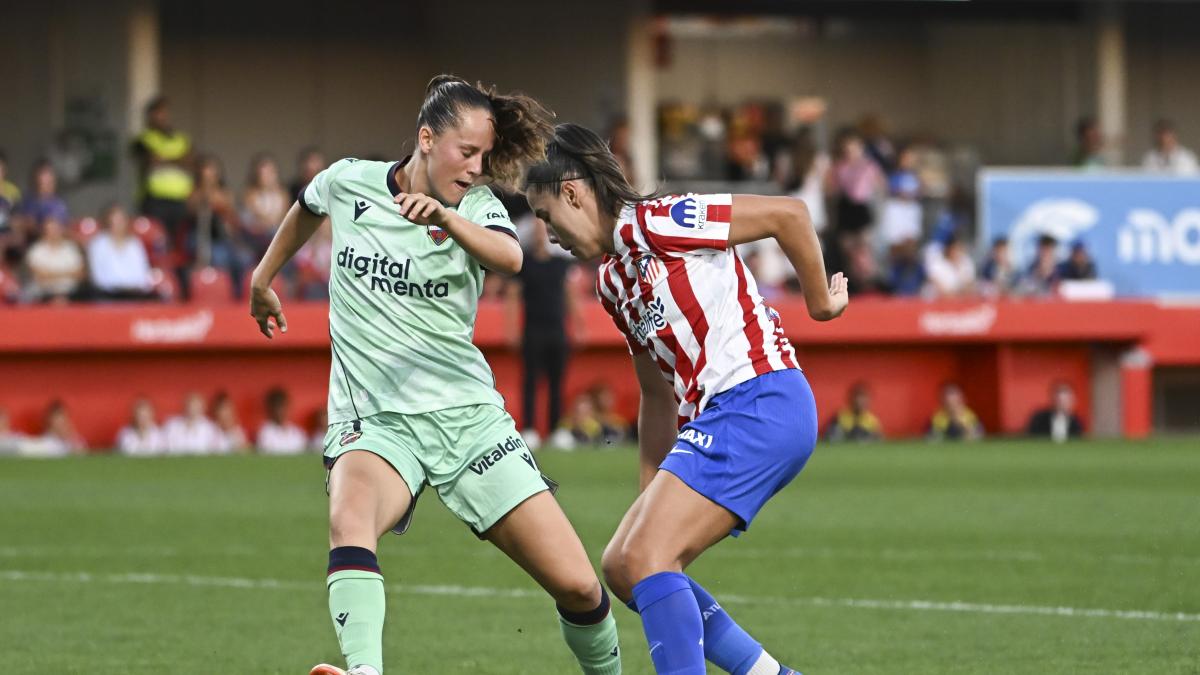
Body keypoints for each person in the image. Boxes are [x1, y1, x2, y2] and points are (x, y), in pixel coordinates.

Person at [248, 76, 622, 675]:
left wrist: (447, 219)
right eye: (466, 152)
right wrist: (263, 279)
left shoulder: (476, 208)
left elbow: (511, 257)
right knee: (350, 517)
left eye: (483, 155)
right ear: (426, 138)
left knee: (579, 587)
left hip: (468, 422)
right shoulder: (352, 181)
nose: (477, 167)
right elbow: (309, 204)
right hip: (376, 422)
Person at [525, 122, 849, 675]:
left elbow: (787, 215)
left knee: (649, 558)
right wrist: (652, 487)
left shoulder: (657, 220)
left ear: (573, 193)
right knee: (623, 566)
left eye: (546, 215)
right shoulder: (610, 280)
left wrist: (820, 304)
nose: (548, 233)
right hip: (725, 415)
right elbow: (655, 392)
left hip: (760, 398)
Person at [506, 214, 579, 450]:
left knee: (558, 381)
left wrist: (578, 325)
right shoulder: (524, 264)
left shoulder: (560, 263)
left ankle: (557, 429)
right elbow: (513, 296)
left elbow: (570, 295)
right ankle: (529, 429)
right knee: (530, 380)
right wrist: (512, 329)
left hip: (557, 328)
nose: (540, 235)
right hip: (533, 329)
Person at [132, 96, 193, 245]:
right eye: (158, 113)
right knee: (157, 239)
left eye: (164, 112)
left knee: (179, 240)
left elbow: (189, 161)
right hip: (155, 199)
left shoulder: (180, 138)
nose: (162, 116)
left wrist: (164, 158)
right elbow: (150, 160)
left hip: (180, 197)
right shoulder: (144, 138)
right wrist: (176, 159)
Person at [87, 203, 156, 300]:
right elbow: (98, 277)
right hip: (108, 295)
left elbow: (143, 272)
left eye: (120, 220)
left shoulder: (134, 243)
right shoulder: (98, 244)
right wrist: (119, 288)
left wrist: (135, 288)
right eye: (113, 221)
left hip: (135, 294)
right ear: (107, 222)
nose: (117, 225)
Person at [25, 215, 86, 303]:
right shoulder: (36, 250)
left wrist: (51, 274)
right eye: (50, 230)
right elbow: (39, 276)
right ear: (44, 231)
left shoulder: (71, 248)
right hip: (44, 293)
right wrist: (69, 273)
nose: (53, 233)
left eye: (56, 229)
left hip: (71, 292)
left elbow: (80, 274)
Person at [257, 386, 308, 455]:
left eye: (283, 406)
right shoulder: (264, 431)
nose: (280, 411)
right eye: (277, 407)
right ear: (270, 409)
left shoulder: (297, 432)